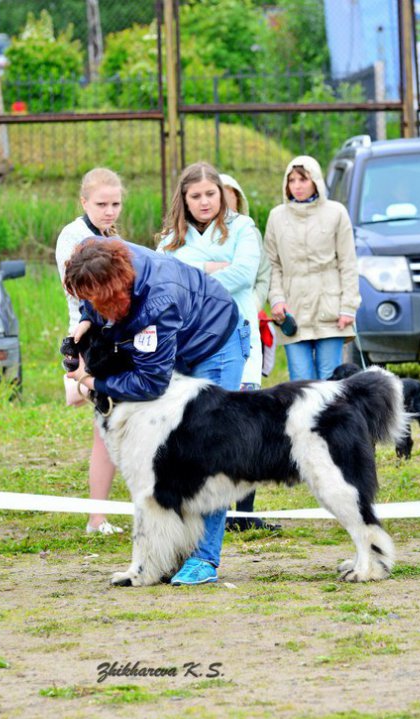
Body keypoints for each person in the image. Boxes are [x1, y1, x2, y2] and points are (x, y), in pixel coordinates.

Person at [63, 237, 250, 586]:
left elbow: (150, 384)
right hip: (177, 343)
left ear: (116, 291)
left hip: (216, 345)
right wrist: (87, 320)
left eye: (96, 300)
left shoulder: (156, 303)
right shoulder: (101, 254)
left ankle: (204, 559)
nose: (90, 304)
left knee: (206, 452)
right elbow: (95, 300)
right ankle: (169, 554)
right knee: (168, 457)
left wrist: (89, 379)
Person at [157, 162, 263, 546]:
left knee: (213, 444)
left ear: (222, 193)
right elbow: (163, 282)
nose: (204, 202)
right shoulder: (170, 236)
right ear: (183, 199)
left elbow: (244, 275)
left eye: (210, 194)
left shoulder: (242, 229)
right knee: (180, 447)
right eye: (195, 196)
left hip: (227, 340)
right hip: (181, 346)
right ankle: (180, 545)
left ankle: (205, 554)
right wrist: (209, 268)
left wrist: (190, 276)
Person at [56, 167, 124, 536]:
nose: (109, 210)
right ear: (84, 202)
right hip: (89, 340)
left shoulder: (110, 235)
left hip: (116, 337)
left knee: (109, 427)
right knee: (104, 424)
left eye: (115, 203)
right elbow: (82, 291)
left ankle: (99, 514)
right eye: (101, 204)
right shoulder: (75, 236)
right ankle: (95, 517)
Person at [218, 172, 280, 533]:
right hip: (213, 337)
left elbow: (257, 277)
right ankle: (218, 508)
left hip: (245, 331)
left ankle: (246, 511)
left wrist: (248, 305)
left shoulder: (248, 233)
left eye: (229, 198)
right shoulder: (204, 240)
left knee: (250, 426)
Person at [266, 155, 360, 381]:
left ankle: (332, 418)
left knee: (330, 379)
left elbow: (347, 262)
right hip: (293, 309)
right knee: (301, 380)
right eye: (292, 181)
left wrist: (348, 307)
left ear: (315, 181)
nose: (297, 186)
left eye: (303, 180)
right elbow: (271, 265)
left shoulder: (336, 213)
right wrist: (276, 299)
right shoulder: (277, 217)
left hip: (330, 306)